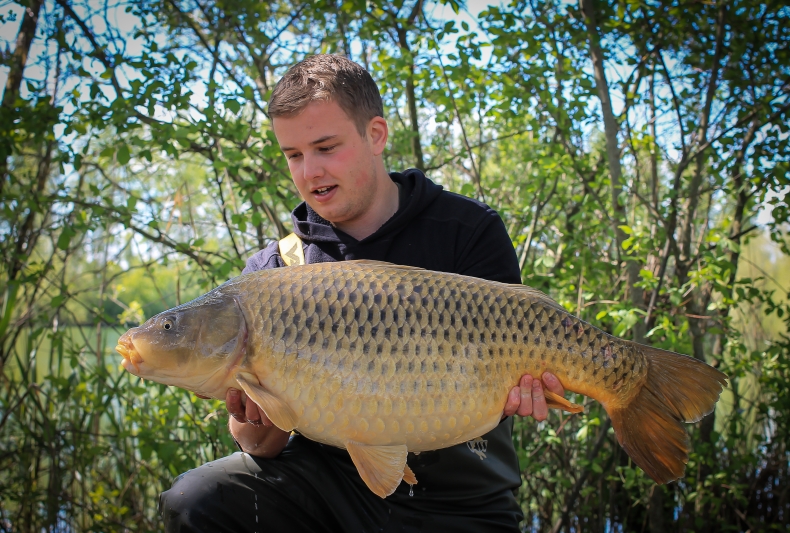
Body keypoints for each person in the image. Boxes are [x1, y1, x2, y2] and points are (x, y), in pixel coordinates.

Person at [160, 54, 567, 533]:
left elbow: (511, 372)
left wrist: (529, 388)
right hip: (325, 488)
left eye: (326, 147)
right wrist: (254, 407)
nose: (310, 172)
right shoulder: (275, 273)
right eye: (293, 155)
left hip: (460, 498)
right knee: (196, 499)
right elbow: (259, 446)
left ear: (376, 135)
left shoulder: (467, 230)